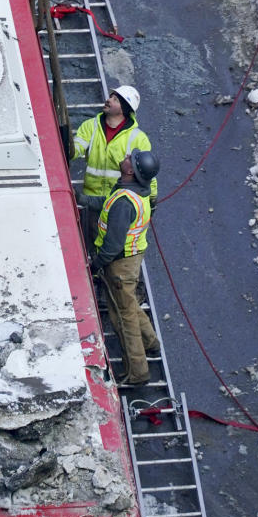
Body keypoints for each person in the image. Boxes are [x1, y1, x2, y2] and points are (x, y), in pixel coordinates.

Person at [93, 149, 161, 387]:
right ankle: (151, 343)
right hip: (132, 258)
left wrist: (96, 264)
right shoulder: (135, 193)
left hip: (119, 265)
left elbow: (113, 244)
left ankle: (137, 372)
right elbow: (109, 205)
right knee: (130, 304)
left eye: (129, 159)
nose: (125, 157)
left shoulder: (125, 202)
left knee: (124, 317)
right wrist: (87, 201)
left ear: (131, 171)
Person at [72, 84, 157, 208]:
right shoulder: (90, 126)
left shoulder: (139, 138)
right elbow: (75, 150)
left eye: (115, 100)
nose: (108, 100)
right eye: (110, 97)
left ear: (124, 109)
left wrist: (152, 198)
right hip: (90, 199)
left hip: (119, 200)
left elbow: (147, 171)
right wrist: (66, 144)